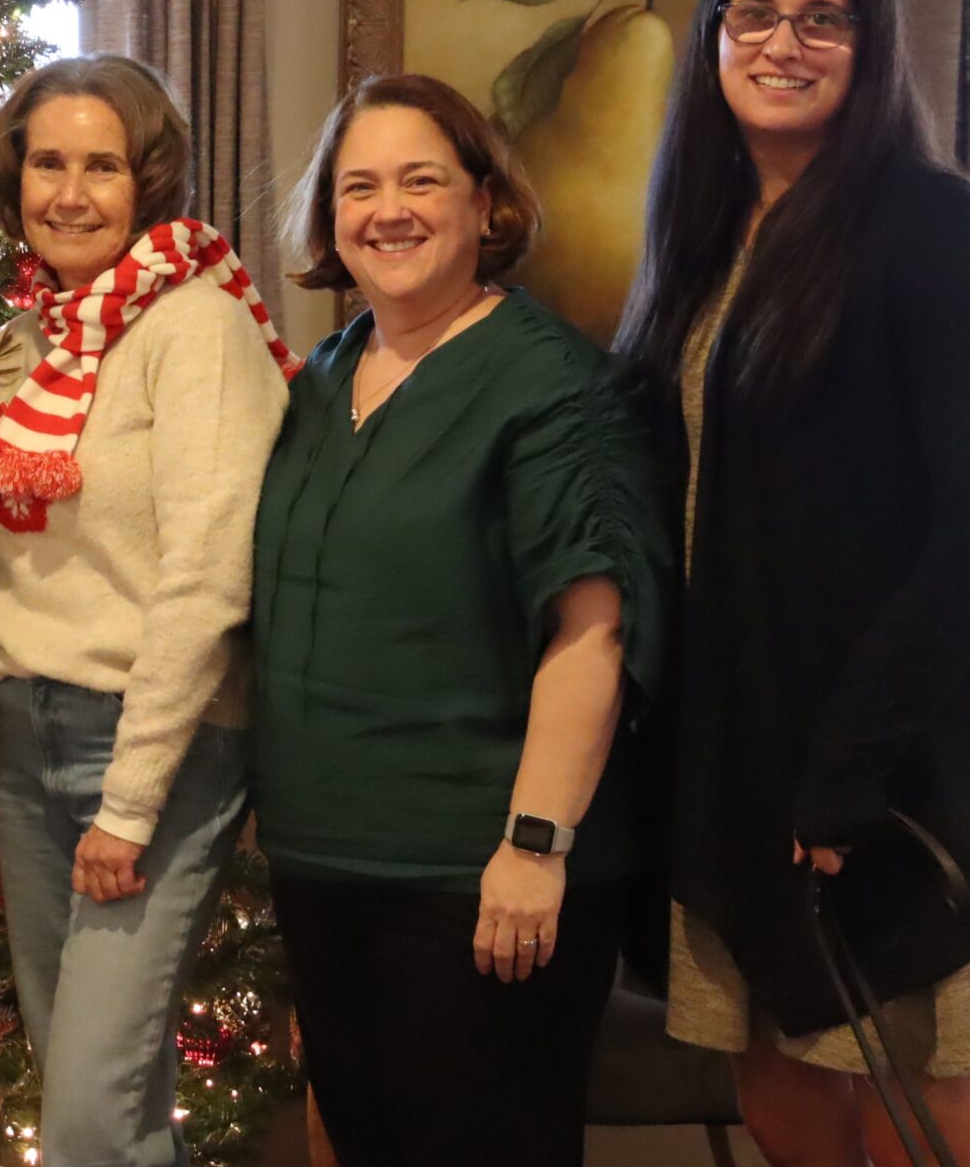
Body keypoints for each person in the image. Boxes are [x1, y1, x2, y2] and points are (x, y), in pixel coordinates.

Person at [615, 0, 970, 1166]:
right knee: (773, 1066)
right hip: (730, 752)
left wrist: (851, 759)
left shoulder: (933, 228)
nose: (783, 42)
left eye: (821, 18)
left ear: (870, 46)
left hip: (880, 758)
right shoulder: (697, 242)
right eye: (754, 15)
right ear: (711, 41)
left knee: (915, 1088)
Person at [250, 73, 669, 1166]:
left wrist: (534, 845)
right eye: (358, 186)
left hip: (475, 875)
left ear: (487, 206)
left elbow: (595, 631)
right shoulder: (324, 374)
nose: (387, 209)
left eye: (420, 179)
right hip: (323, 859)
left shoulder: (552, 386)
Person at [0, 55, 298, 1166]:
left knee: (93, 1111)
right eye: (47, 162)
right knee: (91, 1086)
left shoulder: (196, 328)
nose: (68, 191)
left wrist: (133, 797)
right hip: (21, 733)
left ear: (148, 180)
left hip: (151, 745)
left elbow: (208, 575)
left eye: (101, 165)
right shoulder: (29, 341)